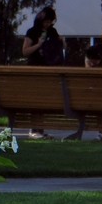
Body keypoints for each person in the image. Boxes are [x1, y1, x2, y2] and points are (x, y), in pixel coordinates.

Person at [22, 7, 64, 139]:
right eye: (45, 21)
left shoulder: (52, 31)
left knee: (43, 100)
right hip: (35, 69)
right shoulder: (33, 32)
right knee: (35, 99)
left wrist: (62, 43)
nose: (47, 24)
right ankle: (34, 129)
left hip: (49, 68)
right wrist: (39, 45)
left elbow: (57, 50)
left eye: (50, 21)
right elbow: (25, 51)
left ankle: (40, 129)